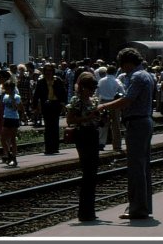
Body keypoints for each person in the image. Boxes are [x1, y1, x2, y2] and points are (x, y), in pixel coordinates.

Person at [98, 48, 154, 219]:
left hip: (137, 122)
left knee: (136, 167)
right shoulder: (147, 75)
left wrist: (104, 106)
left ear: (128, 62)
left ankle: (137, 209)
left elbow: (128, 100)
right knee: (143, 167)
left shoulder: (137, 77)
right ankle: (143, 206)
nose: (122, 69)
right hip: (144, 121)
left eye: (122, 65)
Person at [66, 72, 102, 222]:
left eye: (94, 88)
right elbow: (70, 120)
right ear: (82, 87)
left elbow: (96, 119)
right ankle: (84, 212)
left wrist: (100, 118)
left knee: (93, 172)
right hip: (82, 135)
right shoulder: (76, 101)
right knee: (88, 172)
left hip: (93, 134)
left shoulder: (93, 100)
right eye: (90, 88)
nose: (93, 91)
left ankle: (90, 210)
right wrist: (88, 117)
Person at [32, 63, 68, 154]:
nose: (48, 72)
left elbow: (64, 93)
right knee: (48, 127)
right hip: (46, 105)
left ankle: (55, 147)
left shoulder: (58, 80)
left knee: (55, 126)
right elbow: (36, 95)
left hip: (56, 104)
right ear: (44, 72)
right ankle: (48, 148)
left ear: (53, 71)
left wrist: (63, 104)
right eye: (47, 70)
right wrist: (35, 107)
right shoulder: (41, 82)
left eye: (50, 70)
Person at [97, 65, 125, 151]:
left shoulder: (101, 81)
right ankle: (117, 145)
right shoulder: (117, 81)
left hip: (103, 103)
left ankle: (101, 143)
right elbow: (123, 93)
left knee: (103, 124)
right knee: (116, 125)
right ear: (115, 72)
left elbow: (97, 93)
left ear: (106, 72)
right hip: (114, 103)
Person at [0, 76, 25, 167]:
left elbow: (16, 108)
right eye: (5, 88)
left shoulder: (17, 97)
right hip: (6, 118)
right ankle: (9, 154)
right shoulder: (5, 96)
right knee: (3, 138)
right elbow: (2, 107)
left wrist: (13, 98)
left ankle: (13, 157)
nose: (6, 89)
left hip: (14, 118)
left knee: (12, 139)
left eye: (8, 88)